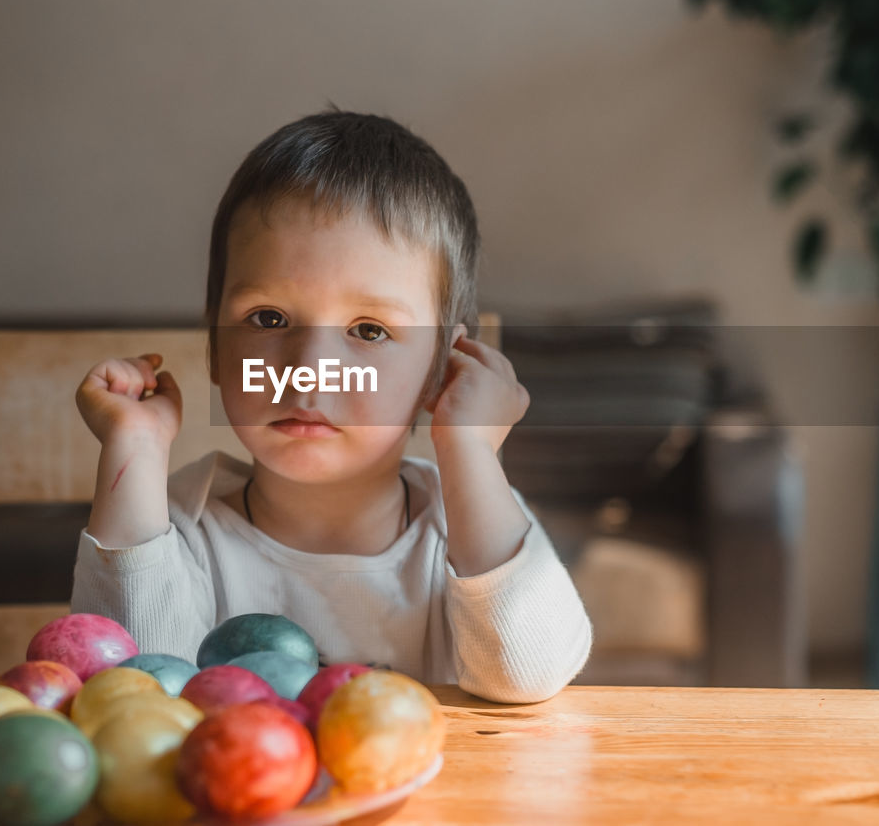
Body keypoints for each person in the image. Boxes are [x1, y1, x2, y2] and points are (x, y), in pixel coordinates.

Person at [71, 108, 592, 703]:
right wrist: (133, 451)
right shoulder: (172, 531)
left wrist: (470, 448)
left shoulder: (466, 522)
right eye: (268, 319)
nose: (307, 370)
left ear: (440, 370)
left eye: (369, 330)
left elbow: (530, 672)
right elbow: (132, 698)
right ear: (216, 347)